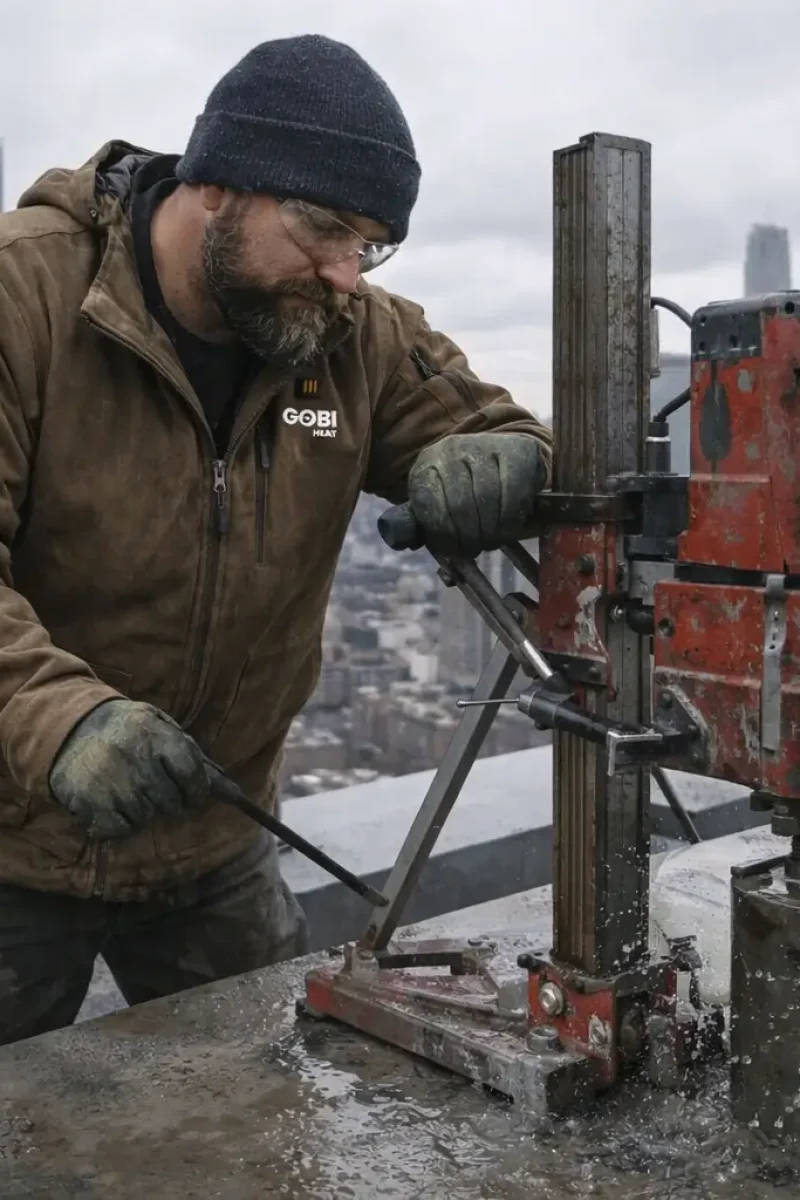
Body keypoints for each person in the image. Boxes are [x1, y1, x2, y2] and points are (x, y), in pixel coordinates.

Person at [0, 33, 552, 1045]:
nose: (346, 273)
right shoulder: (23, 299)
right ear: (217, 186)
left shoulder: (349, 342)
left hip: (216, 838)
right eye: (322, 229)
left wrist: (509, 459)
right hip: (11, 840)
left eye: (371, 244)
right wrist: (59, 720)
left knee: (264, 1116)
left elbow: (501, 431)